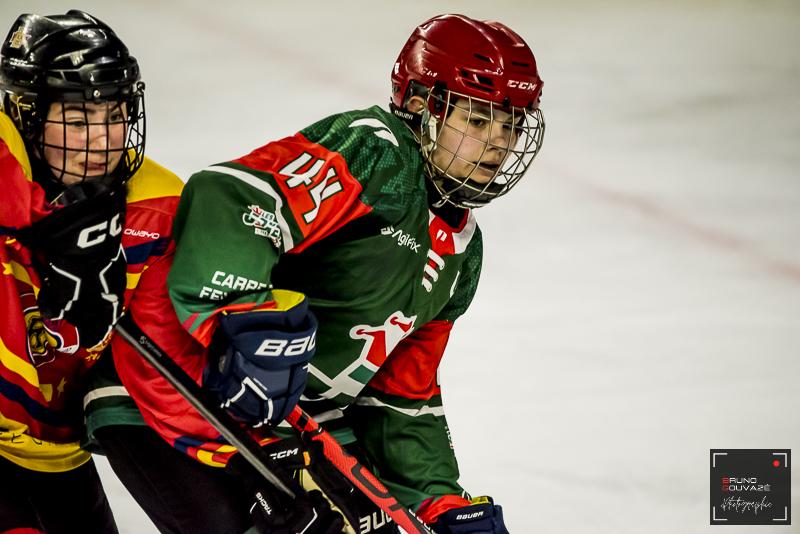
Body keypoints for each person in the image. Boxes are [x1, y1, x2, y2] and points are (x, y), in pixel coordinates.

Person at [92, 13, 544, 533]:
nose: (498, 143)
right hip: (174, 380)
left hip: (293, 419)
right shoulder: (377, 155)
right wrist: (242, 321)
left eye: (510, 125)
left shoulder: (464, 252)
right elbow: (233, 198)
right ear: (422, 106)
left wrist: (437, 500)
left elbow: (402, 396)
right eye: (479, 121)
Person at [0, 10, 182, 533]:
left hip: (62, 456)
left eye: (114, 115)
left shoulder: (158, 208)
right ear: (26, 117)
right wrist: (46, 222)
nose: (101, 141)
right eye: (78, 121)